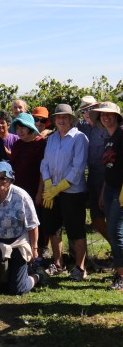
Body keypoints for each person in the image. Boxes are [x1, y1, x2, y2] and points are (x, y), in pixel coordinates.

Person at [40, 104, 89, 281]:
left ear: (71, 119)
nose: (61, 120)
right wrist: (48, 185)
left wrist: (58, 188)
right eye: (58, 117)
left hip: (73, 192)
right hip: (53, 191)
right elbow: (45, 163)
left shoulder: (79, 138)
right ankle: (58, 264)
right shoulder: (52, 139)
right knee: (53, 229)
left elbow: (78, 168)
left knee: (76, 230)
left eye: (65, 117)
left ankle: (80, 267)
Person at [0, 162, 48, 295]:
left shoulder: (21, 196)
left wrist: (34, 250)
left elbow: (33, 225)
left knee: (18, 289)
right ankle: (14, 274)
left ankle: (38, 276)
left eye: (3, 177)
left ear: (10, 178)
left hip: (18, 244)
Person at [90, 102, 123, 290]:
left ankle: (121, 276)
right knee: (113, 231)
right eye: (102, 115)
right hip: (110, 189)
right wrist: (103, 192)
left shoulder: (122, 134)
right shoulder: (107, 139)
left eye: (109, 114)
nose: (105, 117)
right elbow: (108, 169)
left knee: (116, 232)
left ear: (117, 116)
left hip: (120, 191)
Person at [9, 113, 49, 257]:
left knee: (37, 218)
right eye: (18, 128)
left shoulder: (41, 144)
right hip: (20, 189)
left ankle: (40, 249)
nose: (20, 131)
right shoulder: (17, 144)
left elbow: (43, 171)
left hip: (34, 188)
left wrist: (40, 191)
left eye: (23, 128)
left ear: (30, 128)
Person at [77, 96, 109, 241]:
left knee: (114, 218)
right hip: (93, 178)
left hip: (108, 176)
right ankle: (116, 248)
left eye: (90, 108)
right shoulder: (82, 127)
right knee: (96, 217)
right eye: (84, 110)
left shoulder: (106, 127)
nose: (87, 112)